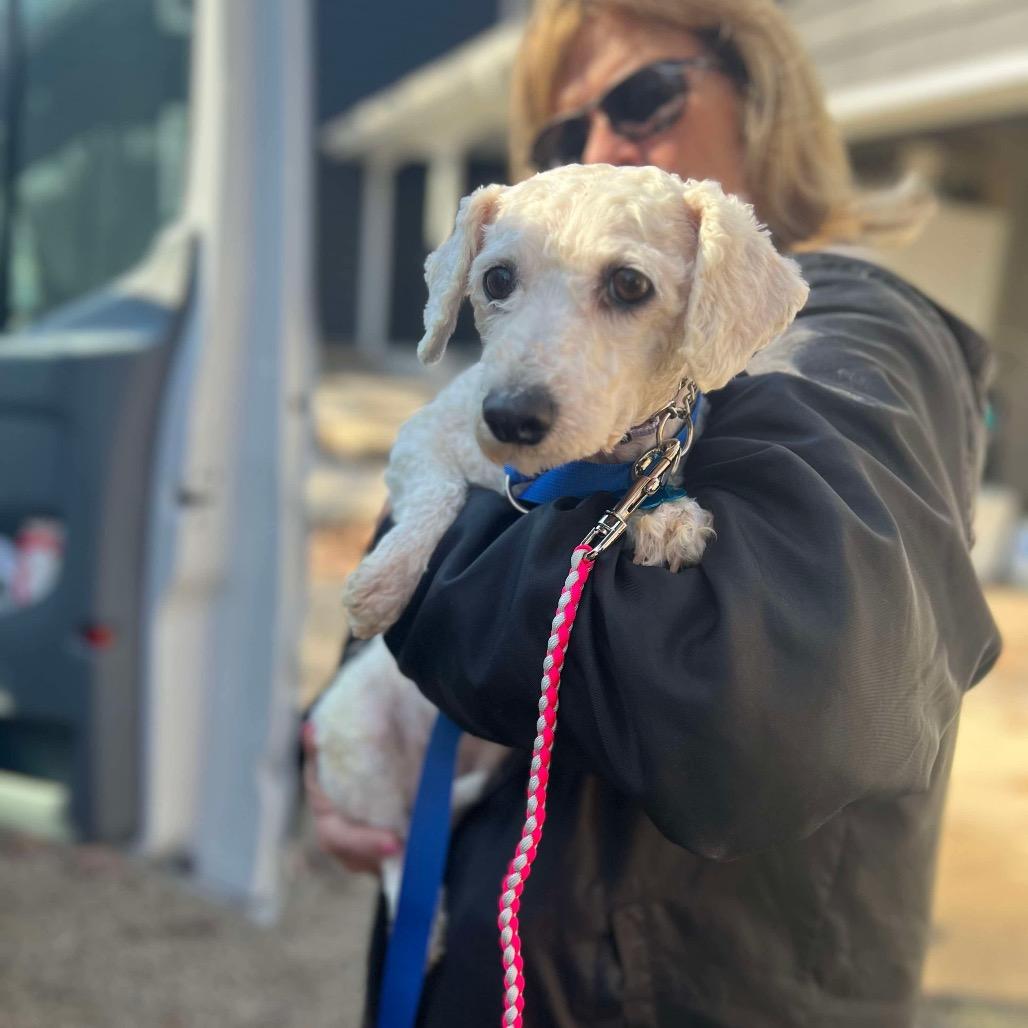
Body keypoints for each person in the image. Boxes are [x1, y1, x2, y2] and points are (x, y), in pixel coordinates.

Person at [304, 1, 1002, 1024]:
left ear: (759, 97)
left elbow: (746, 706)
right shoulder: (587, 363)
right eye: (556, 135)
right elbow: (423, 578)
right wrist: (343, 731)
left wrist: (425, 582)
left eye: (639, 97)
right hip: (501, 960)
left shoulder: (853, 337)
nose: (594, 146)